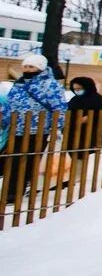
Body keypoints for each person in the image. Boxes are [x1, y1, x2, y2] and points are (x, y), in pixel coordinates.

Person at [4, 54, 67, 205]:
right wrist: (6, 120)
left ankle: (17, 191)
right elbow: (9, 104)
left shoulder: (51, 85)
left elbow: (59, 107)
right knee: (12, 160)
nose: (27, 69)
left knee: (28, 160)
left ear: (40, 68)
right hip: (17, 128)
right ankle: (9, 190)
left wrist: (56, 127)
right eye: (25, 66)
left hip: (38, 130)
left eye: (31, 67)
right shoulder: (19, 84)